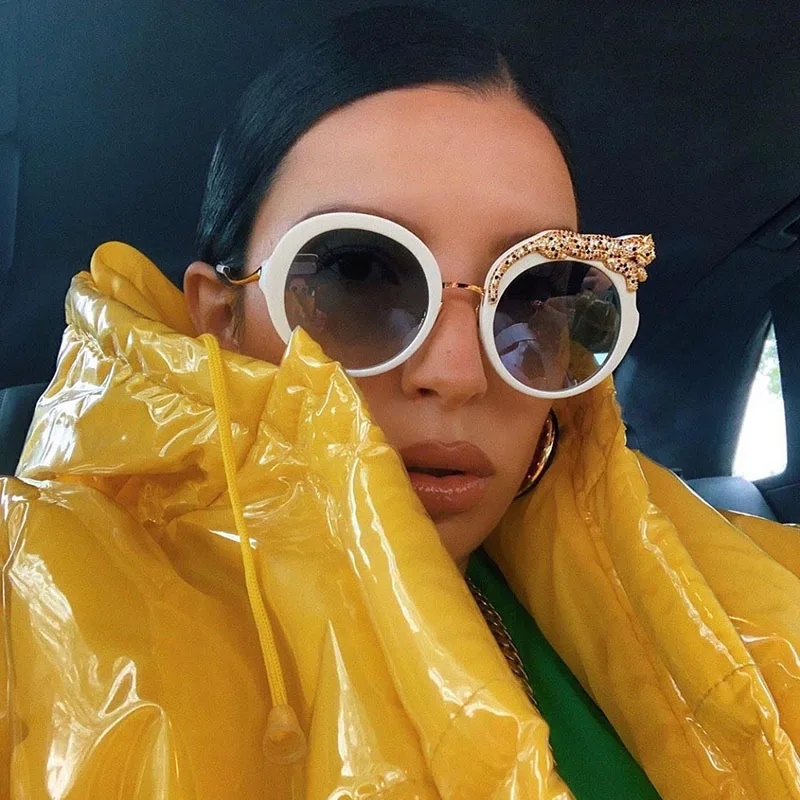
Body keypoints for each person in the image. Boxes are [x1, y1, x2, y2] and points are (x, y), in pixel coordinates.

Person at [1, 6, 798, 799]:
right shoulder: (39, 604)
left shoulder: (720, 599)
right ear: (222, 319)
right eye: (356, 274)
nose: (457, 373)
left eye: (532, 294)